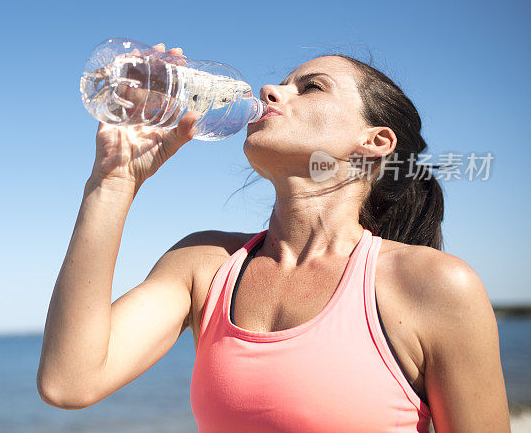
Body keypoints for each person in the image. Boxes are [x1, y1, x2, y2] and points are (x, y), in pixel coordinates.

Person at [37, 43, 511, 432]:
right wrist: (114, 182)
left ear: (374, 143)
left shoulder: (434, 285)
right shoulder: (204, 263)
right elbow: (70, 381)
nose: (270, 91)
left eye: (311, 88)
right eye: (283, 84)